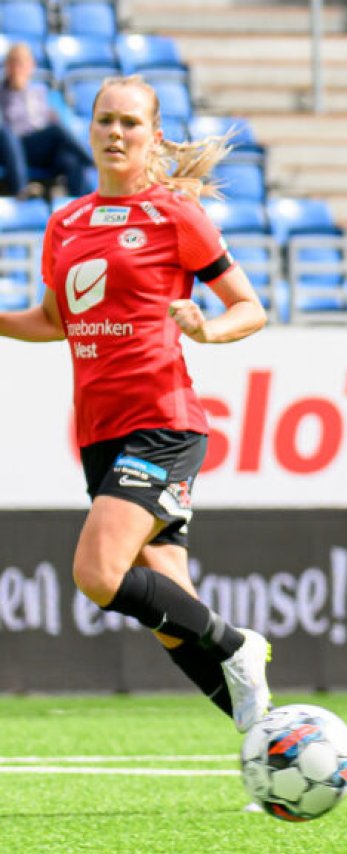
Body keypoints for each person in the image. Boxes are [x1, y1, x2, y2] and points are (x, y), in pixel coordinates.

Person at [0, 75, 273, 733]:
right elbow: (54, 320)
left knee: (98, 573)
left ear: (152, 136)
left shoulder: (174, 215)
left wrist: (206, 329)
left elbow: (250, 308)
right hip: (99, 435)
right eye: (104, 121)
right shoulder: (65, 223)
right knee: (173, 618)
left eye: (129, 122)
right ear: (88, 131)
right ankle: (264, 738)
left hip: (162, 423)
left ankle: (240, 645)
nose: (115, 133)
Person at [0, 43, 92, 198]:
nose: (17, 68)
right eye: (13, 63)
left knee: (70, 159)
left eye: (22, 63)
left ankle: (85, 204)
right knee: (53, 131)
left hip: (40, 148)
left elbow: (52, 120)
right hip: (11, 148)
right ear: (7, 67)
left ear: (31, 66)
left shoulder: (39, 93)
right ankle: (21, 190)